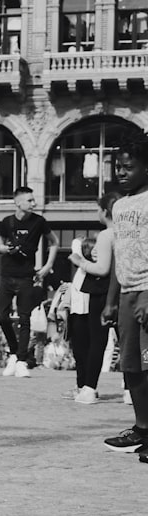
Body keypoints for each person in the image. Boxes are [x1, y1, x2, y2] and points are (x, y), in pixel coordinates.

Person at [98, 135, 148, 454]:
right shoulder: (119, 205)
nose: (122, 172)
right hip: (126, 292)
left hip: (146, 291)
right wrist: (110, 300)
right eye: (118, 167)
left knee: (147, 365)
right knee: (130, 367)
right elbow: (119, 253)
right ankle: (142, 429)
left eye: (129, 167)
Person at [0, 186, 59, 378]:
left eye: (34, 200)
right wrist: (7, 249)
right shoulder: (7, 222)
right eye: (30, 200)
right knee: (2, 316)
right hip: (6, 274)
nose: (34, 203)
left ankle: (21, 360)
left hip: (26, 275)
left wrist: (47, 266)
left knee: (25, 318)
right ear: (18, 202)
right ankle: (15, 352)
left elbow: (54, 242)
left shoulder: (40, 222)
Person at [66, 194, 116, 404]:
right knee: (132, 342)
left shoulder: (106, 235)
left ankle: (89, 388)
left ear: (105, 212)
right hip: (132, 289)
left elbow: (102, 268)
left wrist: (80, 262)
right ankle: (130, 390)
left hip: (104, 292)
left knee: (97, 341)